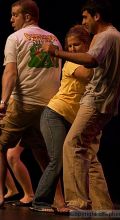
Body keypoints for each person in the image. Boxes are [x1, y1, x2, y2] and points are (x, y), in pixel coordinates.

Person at [42, 0, 120, 212]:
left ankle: (77, 203)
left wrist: (57, 53)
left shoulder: (105, 36)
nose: (84, 23)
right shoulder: (119, 37)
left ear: (96, 16)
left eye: (85, 17)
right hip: (107, 104)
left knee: (72, 146)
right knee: (88, 154)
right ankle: (103, 207)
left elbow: (90, 60)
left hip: (95, 101)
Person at [0, 0, 62, 208]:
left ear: (27, 17)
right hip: (49, 106)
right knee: (43, 154)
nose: (11, 19)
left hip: (23, 103)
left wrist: (3, 101)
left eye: (14, 15)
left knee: (1, 145)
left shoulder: (15, 38)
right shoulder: (54, 39)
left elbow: (10, 72)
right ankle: (59, 200)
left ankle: (0, 195)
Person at [30, 24, 93, 213]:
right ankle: (39, 201)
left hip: (70, 118)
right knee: (56, 160)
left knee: (78, 159)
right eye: (70, 46)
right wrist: (109, 60)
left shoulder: (86, 61)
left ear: (88, 44)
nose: (72, 49)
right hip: (54, 115)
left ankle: (82, 201)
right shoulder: (72, 62)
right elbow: (89, 75)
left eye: (77, 45)